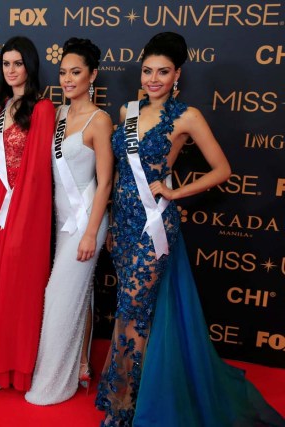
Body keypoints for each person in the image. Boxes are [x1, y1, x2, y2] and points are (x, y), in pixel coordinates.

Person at [95, 32, 285, 426]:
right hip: (125, 223)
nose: (153, 79)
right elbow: (115, 175)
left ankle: (126, 410)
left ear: (177, 74)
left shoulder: (187, 116)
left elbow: (223, 170)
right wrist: (111, 222)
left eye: (163, 72)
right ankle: (126, 399)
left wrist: (175, 190)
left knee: (133, 311)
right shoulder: (127, 111)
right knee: (129, 311)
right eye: (148, 71)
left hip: (154, 224)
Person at [25, 38, 113, 405]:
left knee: (58, 295)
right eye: (63, 72)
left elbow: (105, 180)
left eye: (75, 72)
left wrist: (92, 232)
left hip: (85, 221)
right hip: (60, 221)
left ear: (92, 75)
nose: (67, 79)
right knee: (81, 295)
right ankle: (79, 367)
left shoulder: (100, 119)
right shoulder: (58, 115)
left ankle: (52, 384)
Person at [0, 36, 56, 393]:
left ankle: (13, 368)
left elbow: (36, 172)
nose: (11, 70)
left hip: (21, 205)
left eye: (18, 63)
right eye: (6, 64)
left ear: (30, 66)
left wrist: (20, 216)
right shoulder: (2, 105)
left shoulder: (43, 108)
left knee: (14, 284)